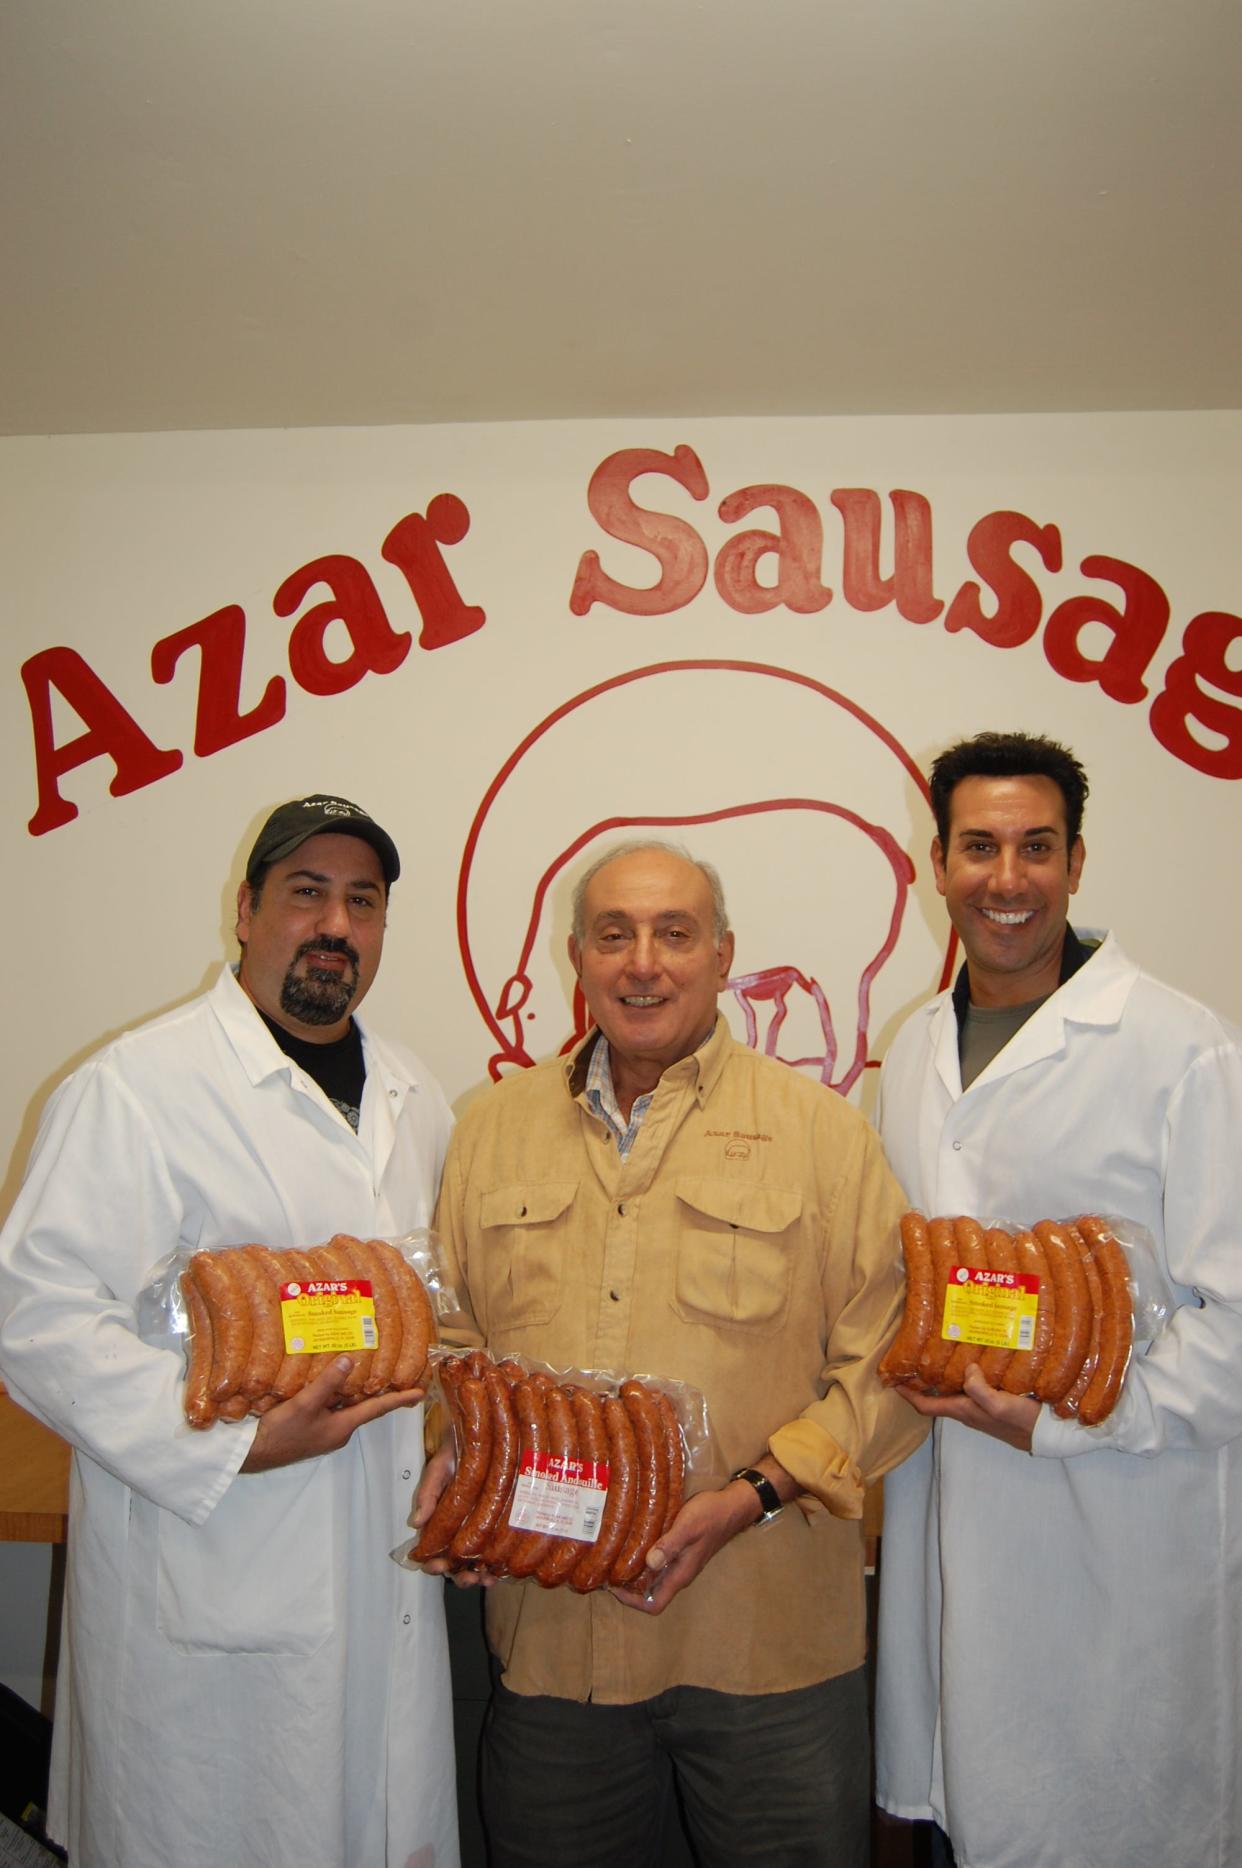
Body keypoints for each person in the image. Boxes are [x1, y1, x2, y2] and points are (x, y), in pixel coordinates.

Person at [419, 839, 927, 1867]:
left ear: (725, 953)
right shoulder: (491, 1131)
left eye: (674, 933)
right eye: (614, 934)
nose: (642, 961)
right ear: (578, 956)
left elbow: (893, 1362)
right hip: (556, 1656)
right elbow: (453, 1341)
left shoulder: (822, 1134)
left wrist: (752, 1491)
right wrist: (458, 1461)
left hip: (770, 1655)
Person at [0, 794, 458, 1868]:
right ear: (244, 911)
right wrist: (233, 1441)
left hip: (383, 1570)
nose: (335, 924)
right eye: (307, 893)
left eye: (363, 900)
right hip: (214, 1583)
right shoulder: (138, 1087)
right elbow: (34, 1311)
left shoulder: (415, 1093)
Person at [873, 732, 1242, 1868]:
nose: (1008, 878)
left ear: (1077, 863)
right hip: (952, 1525)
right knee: (970, 1802)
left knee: (1110, 1818)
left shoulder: (1181, 1048)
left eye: (1037, 847)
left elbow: (1234, 1324)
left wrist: (1076, 1418)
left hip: (1120, 1543)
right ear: (937, 862)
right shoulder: (915, 1046)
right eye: (979, 846)